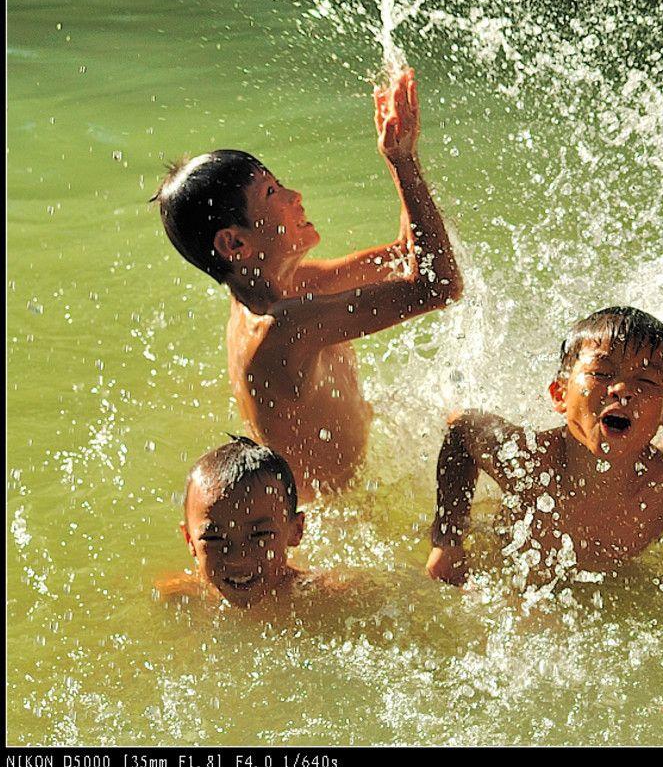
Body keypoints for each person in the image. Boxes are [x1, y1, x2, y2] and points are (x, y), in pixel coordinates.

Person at [153, 68, 462, 502]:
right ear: (235, 242)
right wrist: (402, 162)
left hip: (350, 496)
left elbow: (404, 255)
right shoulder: (280, 327)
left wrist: (399, 146)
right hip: (330, 521)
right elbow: (440, 286)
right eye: (271, 193)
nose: (295, 196)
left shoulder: (291, 286)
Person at [425, 306, 663, 586]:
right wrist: (448, 541)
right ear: (560, 394)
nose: (622, 389)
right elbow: (463, 427)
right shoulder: (530, 463)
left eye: (644, 380)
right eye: (602, 373)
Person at [158, 436, 320, 608]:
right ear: (189, 539)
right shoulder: (179, 599)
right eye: (214, 538)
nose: (237, 559)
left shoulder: (325, 602)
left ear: (296, 531)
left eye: (259, 535)